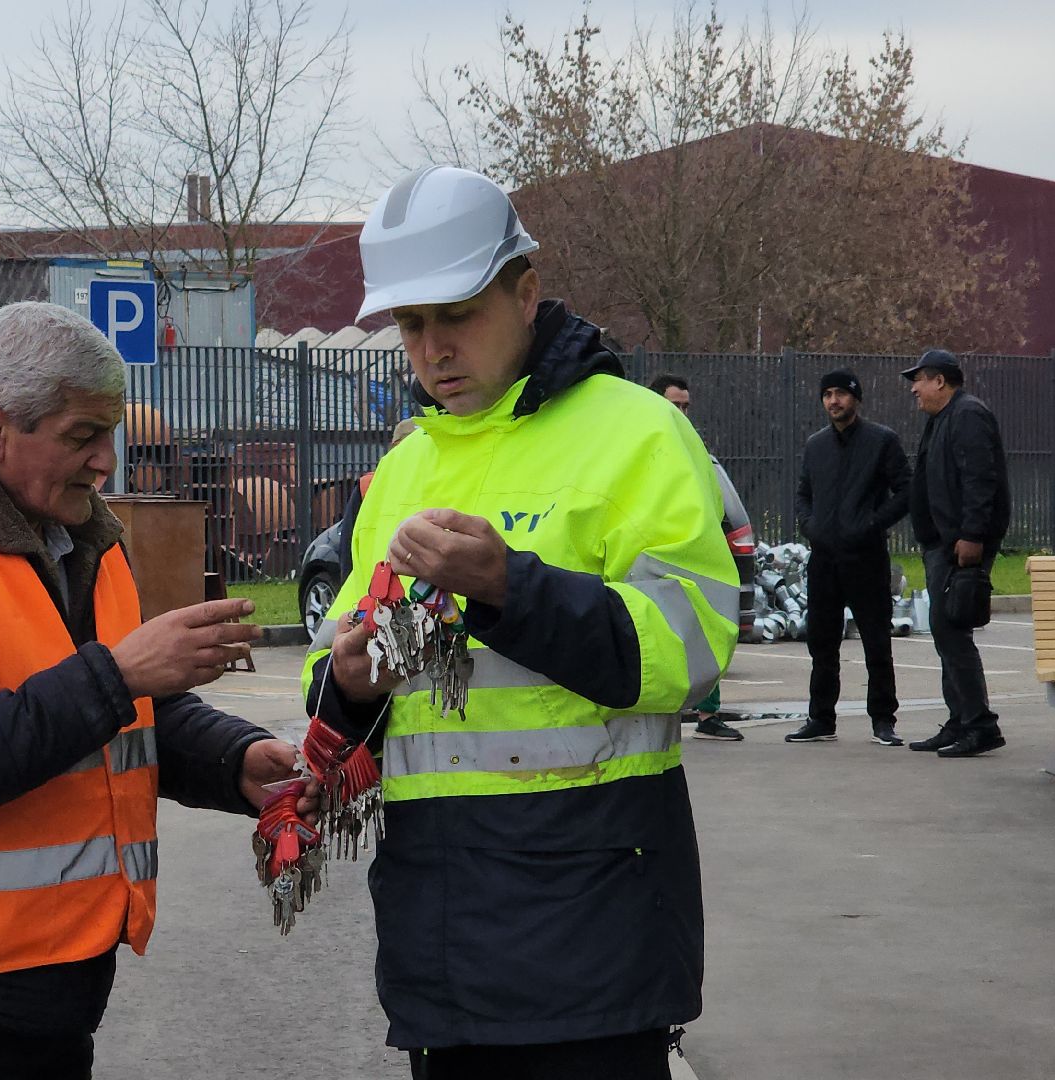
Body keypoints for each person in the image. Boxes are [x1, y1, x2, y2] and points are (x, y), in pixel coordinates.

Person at [0, 301, 314, 1079]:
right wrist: (122, 671)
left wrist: (234, 759)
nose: (107, 459)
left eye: (112, 433)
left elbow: (123, 714)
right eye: (82, 436)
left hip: (41, 987)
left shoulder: (79, 537)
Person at [306, 167, 740, 1079]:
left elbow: (691, 654)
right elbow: (338, 680)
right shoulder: (404, 469)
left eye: (455, 314)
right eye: (411, 325)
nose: (432, 348)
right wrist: (348, 681)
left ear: (526, 291)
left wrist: (507, 587)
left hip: (593, 940)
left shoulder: (638, 433)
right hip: (442, 946)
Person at [787, 369, 910, 746]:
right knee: (822, 643)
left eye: (841, 393)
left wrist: (871, 524)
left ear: (856, 398)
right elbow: (803, 494)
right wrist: (810, 526)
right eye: (827, 394)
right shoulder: (816, 445)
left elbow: (906, 491)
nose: (834, 401)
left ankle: (883, 720)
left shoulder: (882, 441)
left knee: (876, 641)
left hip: (865, 557)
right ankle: (821, 718)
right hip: (823, 558)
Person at [903, 348, 1011, 757]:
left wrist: (971, 535)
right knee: (945, 632)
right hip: (941, 543)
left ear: (940, 382)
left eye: (919, 379)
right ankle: (960, 718)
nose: (914, 388)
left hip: (959, 545)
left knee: (952, 632)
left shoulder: (967, 415)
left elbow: (980, 479)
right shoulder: (942, 419)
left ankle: (980, 725)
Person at [648, 373, 744, 742]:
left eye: (686, 406)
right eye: (676, 405)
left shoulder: (694, 449)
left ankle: (708, 714)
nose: (683, 413)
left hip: (694, 552)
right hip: (653, 554)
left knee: (703, 629)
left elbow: (711, 496)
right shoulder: (643, 445)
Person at [337, 417, 422, 583]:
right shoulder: (368, 485)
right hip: (378, 584)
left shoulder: (434, 481)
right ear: (394, 449)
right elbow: (350, 545)